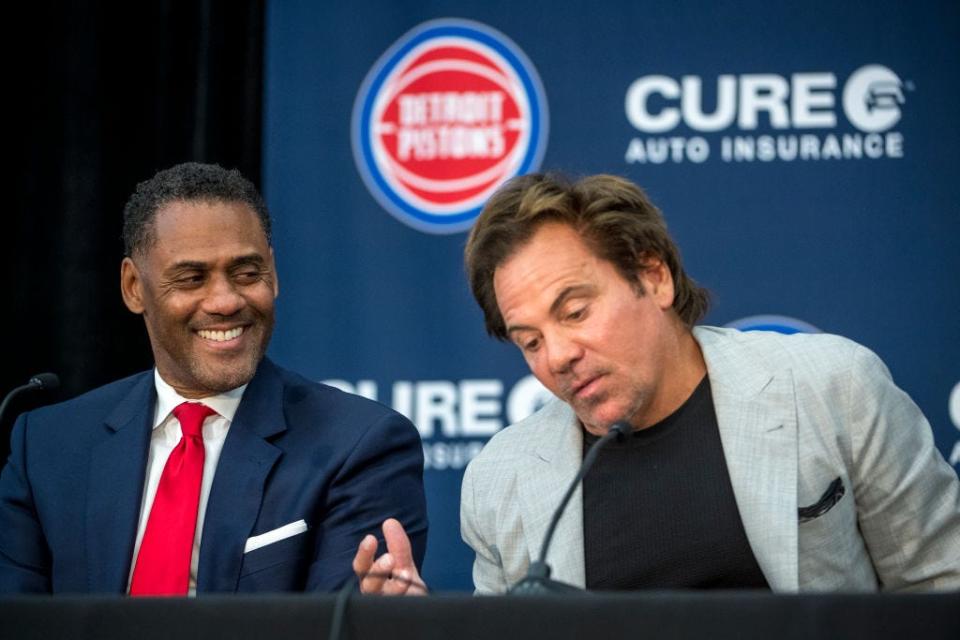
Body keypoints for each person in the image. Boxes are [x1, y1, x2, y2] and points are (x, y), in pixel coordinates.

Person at [354, 172, 960, 594]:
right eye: (530, 341)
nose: (558, 356)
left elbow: (941, 583)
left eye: (575, 311)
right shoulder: (501, 482)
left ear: (654, 277)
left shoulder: (832, 389)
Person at [0, 162, 427, 594]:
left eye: (246, 273)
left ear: (273, 274)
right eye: (191, 278)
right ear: (133, 287)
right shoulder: (48, 447)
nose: (225, 301)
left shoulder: (359, 445)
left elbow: (338, 622)